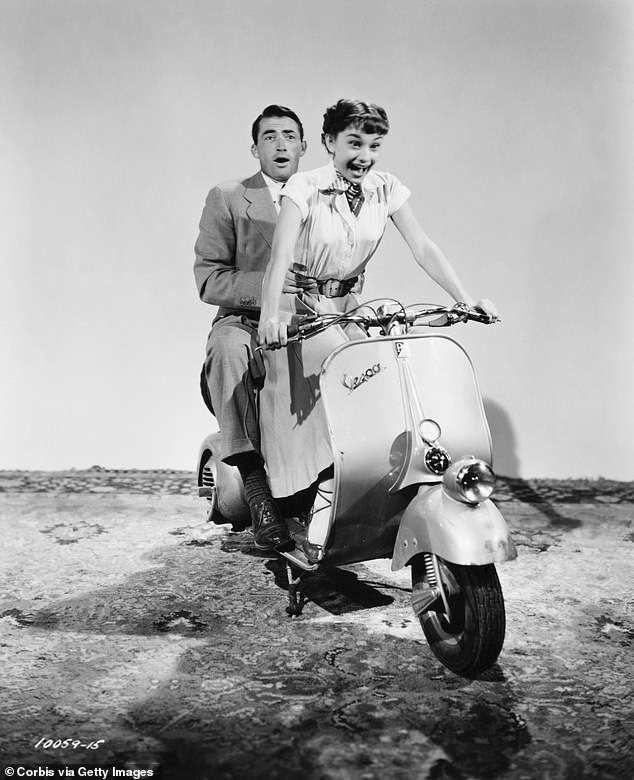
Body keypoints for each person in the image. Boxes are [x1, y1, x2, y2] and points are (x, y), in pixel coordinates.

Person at [258, 98, 499, 508]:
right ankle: (325, 492)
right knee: (345, 374)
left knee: (389, 371)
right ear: (329, 142)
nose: (364, 156)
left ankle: (383, 486)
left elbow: (423, 247)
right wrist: (269, 317)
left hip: (349, 307)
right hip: (299, 311)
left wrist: (464, 299)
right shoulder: (304, 187)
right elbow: (279, 256)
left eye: (374, 146)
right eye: (354, 143)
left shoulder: (385, 188)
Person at [194, 104, 308, 551]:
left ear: (304, 146)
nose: (280, 144)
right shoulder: (228, 196)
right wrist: (269, 285)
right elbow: (209, 279)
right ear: (255, 148)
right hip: (246, 320)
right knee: (226, 349)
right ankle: (257, 491)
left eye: (289, 135)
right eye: (269, 136)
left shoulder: (325, 197)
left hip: (311, 319)